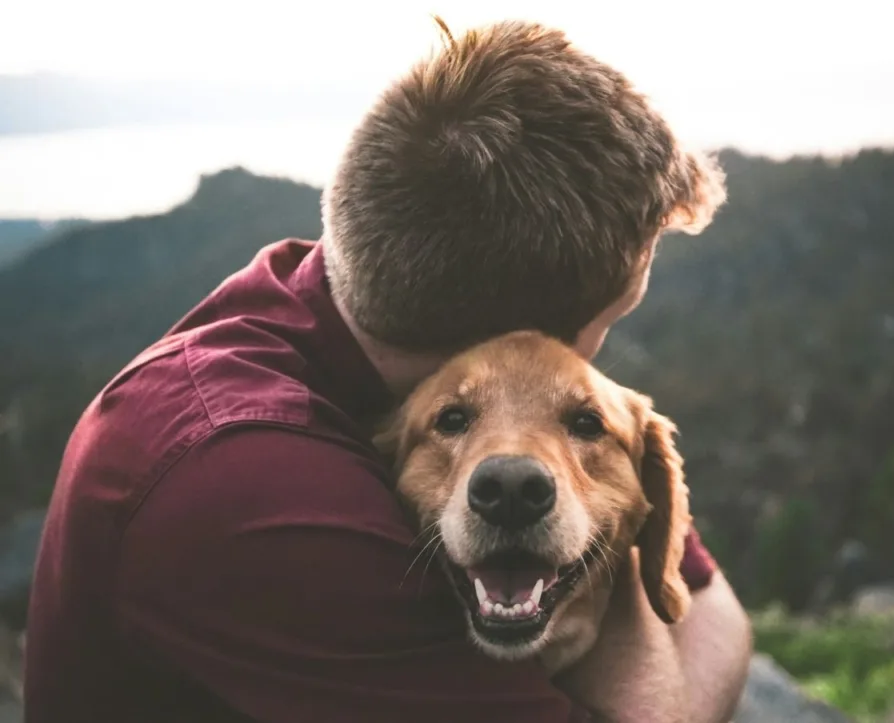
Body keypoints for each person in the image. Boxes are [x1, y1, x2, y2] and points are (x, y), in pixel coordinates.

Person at [24, 19, 752, 723]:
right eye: (613, 318)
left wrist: (614, 544)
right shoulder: (255, 489)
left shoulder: (330, 296)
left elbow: (712, 604)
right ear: (517, 338)